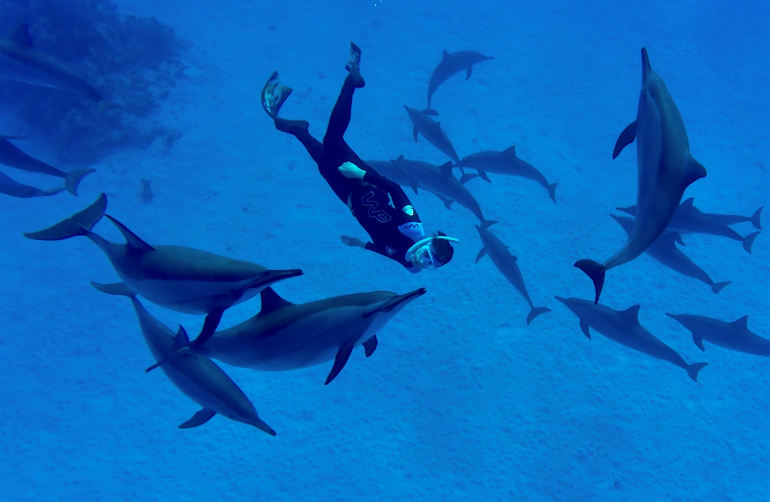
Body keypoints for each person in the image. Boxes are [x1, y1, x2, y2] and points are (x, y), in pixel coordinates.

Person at [261, 42, 457, 273]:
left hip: (350, 200)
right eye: (426, 255)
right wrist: (361, 174)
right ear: (426, 243)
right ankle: (352, 82)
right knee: (333, 141)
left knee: (324, 163)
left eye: (429, 265)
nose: (422, 261)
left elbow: (384, 250)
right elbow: (395, 189)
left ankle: (298, 129)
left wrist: (358, 244)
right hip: (366, 184)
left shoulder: (409, 265)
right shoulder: (412, 227)